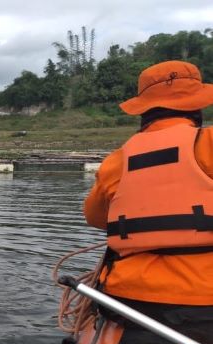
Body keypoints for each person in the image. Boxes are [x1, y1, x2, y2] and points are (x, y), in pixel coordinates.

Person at [83, 60, 213, 327]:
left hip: (128, 301)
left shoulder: (116, 162)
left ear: (143, 110)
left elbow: (96, 219)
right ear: (197, 106)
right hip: (206, 303)